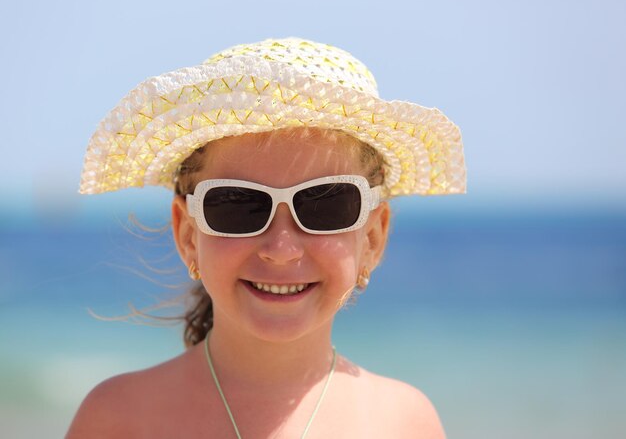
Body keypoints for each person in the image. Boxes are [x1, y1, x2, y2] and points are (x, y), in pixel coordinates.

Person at [67, 37, 466, 438]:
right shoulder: (119, 417)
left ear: (373, 237)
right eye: (238, 205)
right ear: (188, 234)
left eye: (325, 205)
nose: (282, 249)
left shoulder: (403, 422)